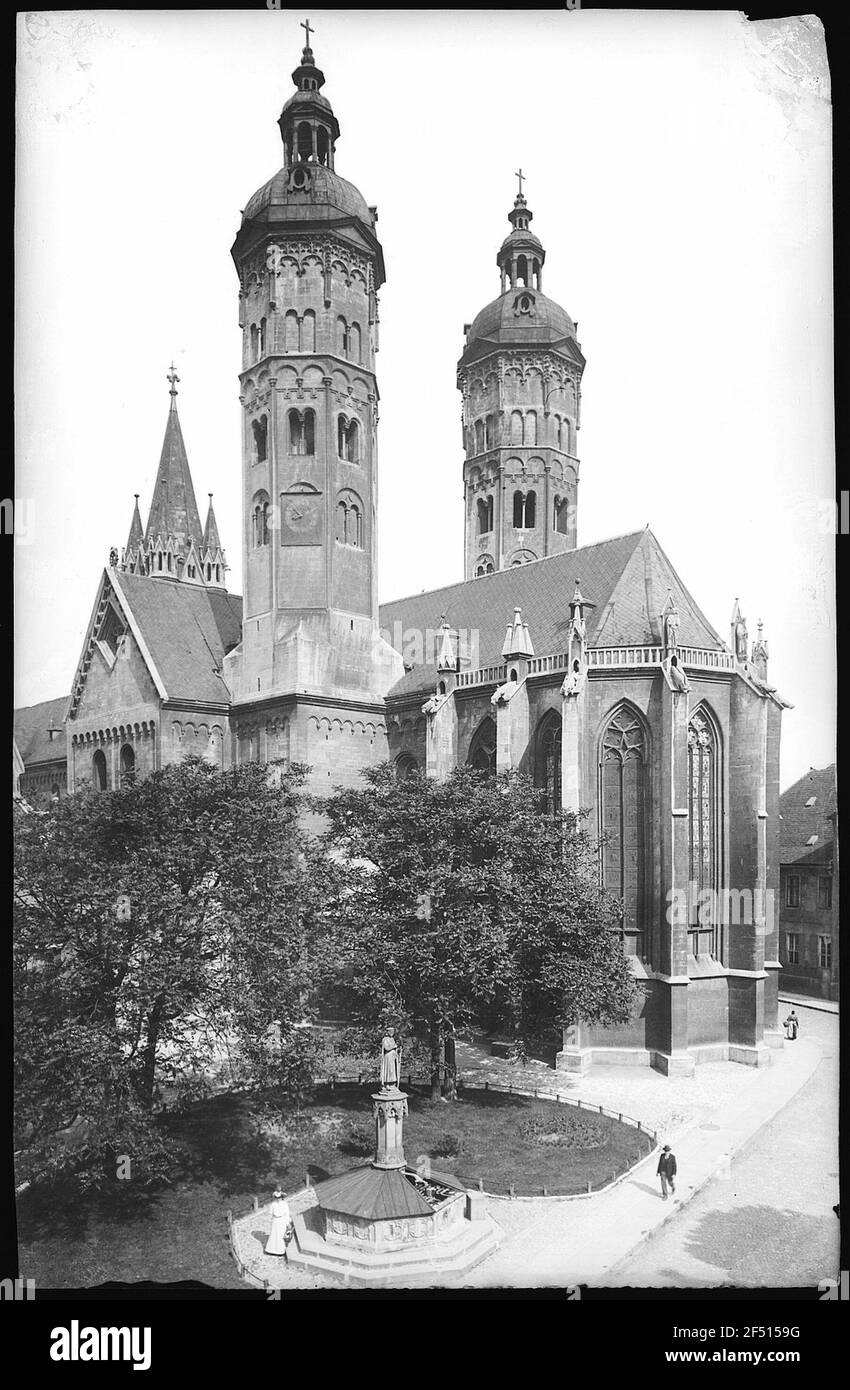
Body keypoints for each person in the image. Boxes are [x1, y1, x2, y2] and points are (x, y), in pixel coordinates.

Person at [265, 1188, 292, 1260]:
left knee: (281, 1235)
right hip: (275, 1220)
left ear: (282, 1197)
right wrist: (271, 1220)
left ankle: (280, 1251)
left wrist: (288, 1222)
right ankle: (271, 1249)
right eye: (276, 1198)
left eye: (279, 1198)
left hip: (282, 1220)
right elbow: (270, 1213)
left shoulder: (284, 1204)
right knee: (274, 1234)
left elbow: (287, 1214)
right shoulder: (273, 1204)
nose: (278, 1199)